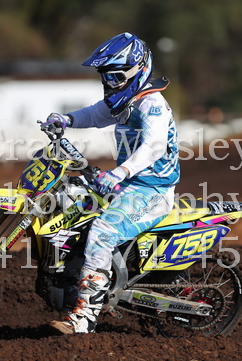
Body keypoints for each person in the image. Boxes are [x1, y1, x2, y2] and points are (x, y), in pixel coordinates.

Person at [44, 32, 180, 334]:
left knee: (103, 232)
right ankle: (72, 283)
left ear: (137, 70)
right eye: (105, 77)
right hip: (127, 184)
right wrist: (66, 120)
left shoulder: (151, 104)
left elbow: (155, 146)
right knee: (67, 206)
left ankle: (84, 318)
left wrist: (120, 172)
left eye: (115, 77)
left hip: (152, 190)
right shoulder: (126, 100)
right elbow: (96, 114)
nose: (110, 83)